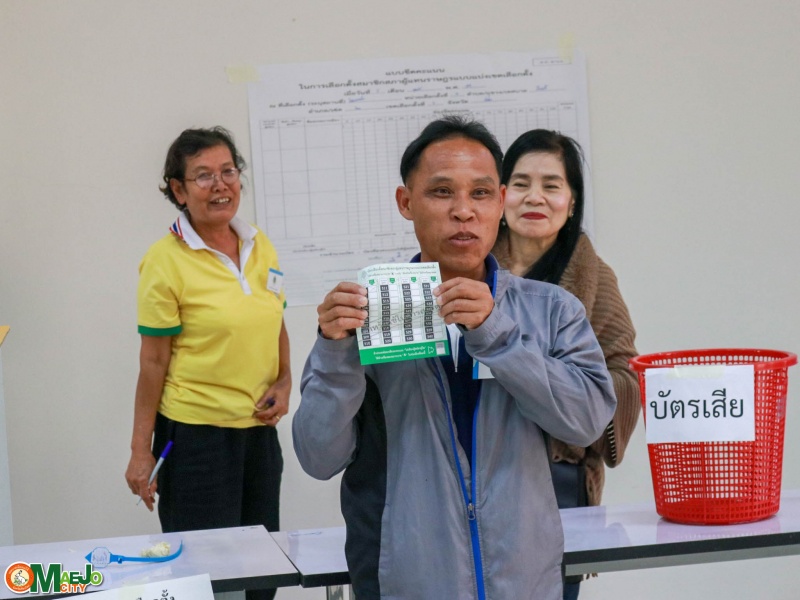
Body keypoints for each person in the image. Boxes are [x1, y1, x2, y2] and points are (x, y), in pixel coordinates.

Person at [292, 116, 617, 600]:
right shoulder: (370, 314)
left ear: (500, 202)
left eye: (480, 194)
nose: (463, 211)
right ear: (406, 202)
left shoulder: (550, 310)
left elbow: (586, 422)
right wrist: (334, 349)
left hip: (524, 581)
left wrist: (497, 335)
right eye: (441, 192)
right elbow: (318, 457)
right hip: (404, 582)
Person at [124, 127, 290, 600]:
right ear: (178, 190)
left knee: (261, 573)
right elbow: (153, 362)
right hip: (196, 440)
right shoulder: (164, 261)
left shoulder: (260, 244)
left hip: (258, 435)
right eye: (203, 176)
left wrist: (284, 379)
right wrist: (140, 451)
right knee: (207, 579)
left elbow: (274, 321)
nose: (220, 185)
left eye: (228, 171)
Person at [492, 129, 640, 600]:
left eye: (551, 185)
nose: (534, 197)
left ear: (571, 202)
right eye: (521, 183)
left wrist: (561, 390)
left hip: (555, 475)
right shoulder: (470, 266)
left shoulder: (595, 277)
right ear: (500, 194)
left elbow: (623, 373)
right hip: (477, 466)